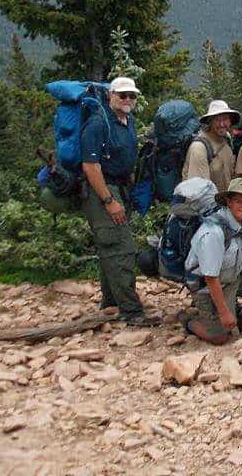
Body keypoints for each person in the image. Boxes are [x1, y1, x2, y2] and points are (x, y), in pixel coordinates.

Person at [80, 76, 157, 327]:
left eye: (131, 95)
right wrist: (108, 200)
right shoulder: (98, 123)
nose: (127, 100)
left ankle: (111, 302)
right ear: (109, 95)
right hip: (102, 189)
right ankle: (131, 311)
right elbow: (91, 166)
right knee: (120, 248)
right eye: (122, 95)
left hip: (120, 187)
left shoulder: (128, 121)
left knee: (110, 246)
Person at [182, 178, 242, 344]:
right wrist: (224, 313)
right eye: (238, 201)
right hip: (206, 285)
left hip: (230, 280)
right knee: (220, 337)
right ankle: (188, 321)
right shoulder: (213, 232)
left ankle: (239, 315)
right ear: (228, 202)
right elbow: (210, 278)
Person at [182, 99, 239, 192]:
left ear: (230, 120)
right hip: (206, 204)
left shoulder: (227, 138)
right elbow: (199, 191)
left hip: (226, 201)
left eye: (225, 119)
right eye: (217, 120)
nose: (222, 124)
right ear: (210, 122)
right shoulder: (199, 148)